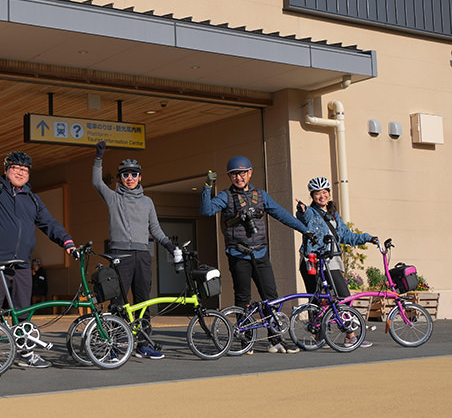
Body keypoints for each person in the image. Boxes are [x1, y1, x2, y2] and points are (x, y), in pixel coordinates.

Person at [0, 135, 77, 368]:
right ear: (6, 170)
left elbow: (49, 224)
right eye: (16, 168)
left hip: (21, 264)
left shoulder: (32, 199)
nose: (20, 173)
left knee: (24, 311)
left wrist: (67, 242)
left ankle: (25, 352)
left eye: (24, 170)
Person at [200, 156, 307, 354]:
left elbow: (282, 215)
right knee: (243, 298)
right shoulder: (225, 196)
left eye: (242, 173)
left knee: (271, 297)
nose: (239, 178)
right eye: (234, 174)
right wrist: (207, 186)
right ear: (230, 177)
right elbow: (206, 211)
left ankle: (275, 340)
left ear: (250, 173)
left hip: (261, 253)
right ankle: (245, 340)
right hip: (238, 254)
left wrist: (305, 230)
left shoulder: (261, 195)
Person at [92, 141, 181, 360]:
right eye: (125, 175)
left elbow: (156, 230)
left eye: (134, 174)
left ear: (140, 177)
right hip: (120, 255)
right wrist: (99, 157)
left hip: (142, 256)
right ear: (120, 178)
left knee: (143, 301)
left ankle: (143, 345)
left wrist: (170, 246)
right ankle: (115, 346)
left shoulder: (148, 202)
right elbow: (96, 182)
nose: (129, 178)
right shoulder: (114, 198)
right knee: (118, 303)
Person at [296, 176, 377, 348]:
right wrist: (301, 211)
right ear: (312, 196)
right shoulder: (310, 212)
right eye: (318, 193)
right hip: (313, 262)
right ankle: (320, 336)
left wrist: (367, 238)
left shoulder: (333, 215)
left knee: (344, 297)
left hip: (332, 262)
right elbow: (303, 218)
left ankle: (350, 336)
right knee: (316, 299)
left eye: (324, 192)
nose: (322, 196)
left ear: (329, 194)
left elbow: (346, 236)